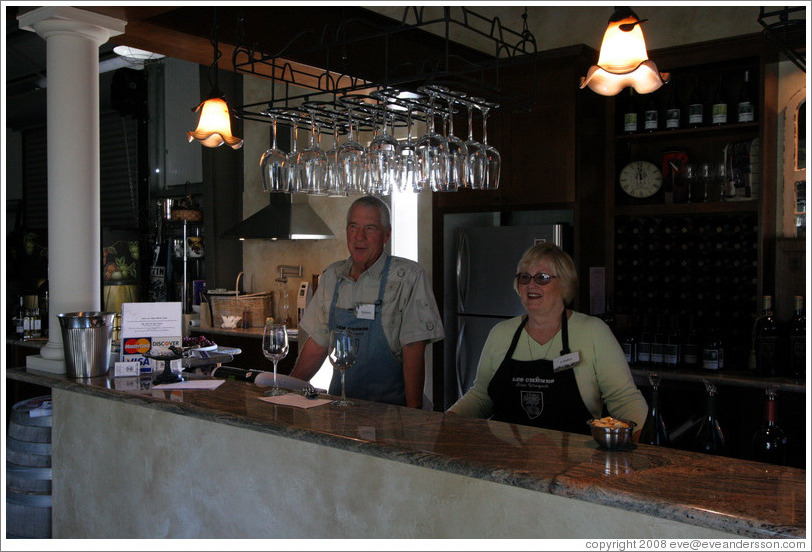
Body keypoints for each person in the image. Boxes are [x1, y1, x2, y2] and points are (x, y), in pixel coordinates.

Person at [447, 242, 647, 437]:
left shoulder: (593, 332)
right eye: (524, 277)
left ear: (564, 284)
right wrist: (446, 422)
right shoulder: (501, 334)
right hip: (507, 462)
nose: (531, 284)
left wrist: (645, 438)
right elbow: (482, 397)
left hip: (576, 463)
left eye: (542, 278)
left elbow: (624, 399)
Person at [290, 195, 444, 408]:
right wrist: (288, 391)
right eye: (353, 227)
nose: (359, 237)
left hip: (393, 412)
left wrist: (413, 416)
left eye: (370, 228)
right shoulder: (333, 276)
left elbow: (413, 351)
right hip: (343, 409)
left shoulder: (408, 277)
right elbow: (318, 344)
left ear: (386, 234)